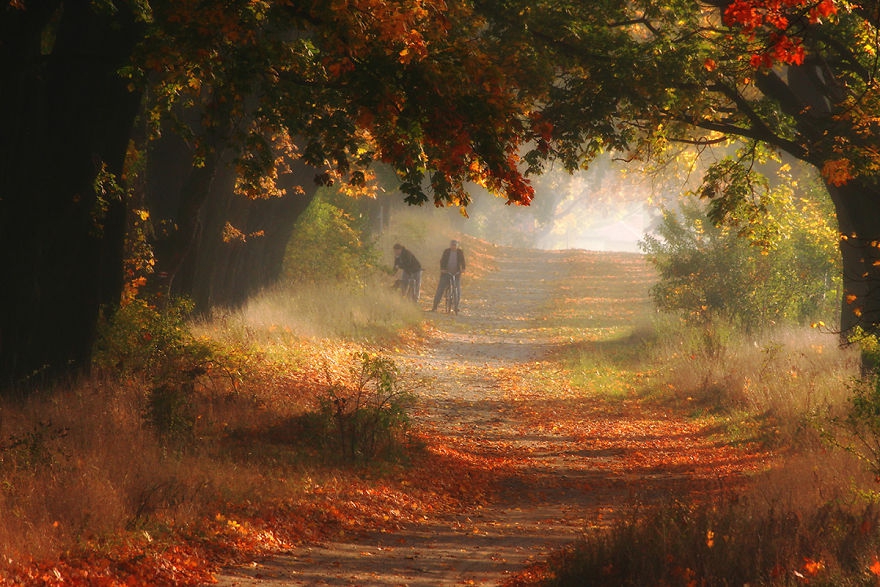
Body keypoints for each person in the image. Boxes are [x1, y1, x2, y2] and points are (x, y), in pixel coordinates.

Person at [431, 239, 466, 312]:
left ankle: (456, 306)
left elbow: (463, 261)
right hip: (446, 273)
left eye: (455, 245)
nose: (453, 247)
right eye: (452, 245)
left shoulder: (460, 252)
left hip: (456, 274)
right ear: (450, 245)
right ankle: (435, 306)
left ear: (457, 246)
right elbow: (442, 260)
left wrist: (463, 269)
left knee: (457, 290)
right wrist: (442, 269)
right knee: (440, 289)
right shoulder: (446, 251)